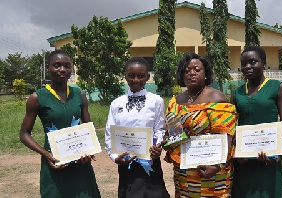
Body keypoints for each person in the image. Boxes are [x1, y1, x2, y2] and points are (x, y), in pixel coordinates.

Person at [19, 50, 101, 198]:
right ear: (47, 68)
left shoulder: (79, 94)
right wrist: (47, 155)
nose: (62, 70)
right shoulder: (37, 97)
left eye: (67, 66)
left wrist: (90, 150)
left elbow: (89, 127)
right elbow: (24, 134)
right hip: (55, 164)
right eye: (57, 65)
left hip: (81, 165)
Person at [162, 53, 237, 197]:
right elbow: (175, 135)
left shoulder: (217, 98)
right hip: (184, 173)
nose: (191, 73)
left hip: (212, 171)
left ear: (206, 74)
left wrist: (216, 165)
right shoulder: (175, 102)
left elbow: (226, 135)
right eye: (187, 70)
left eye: (197, 69)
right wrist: (167, 142)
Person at [231, 46, 282, 198]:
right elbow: (231, 125)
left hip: (269, 157)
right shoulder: (236, 93)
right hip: (243, 160)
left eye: (253, 62)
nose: (247, 67)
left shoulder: (278, 87)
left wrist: (276, 149)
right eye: (244, 63)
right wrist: (236, 151)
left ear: (264, 64)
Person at [105, 57, 170, 198]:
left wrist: (157, 147)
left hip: (150, 161)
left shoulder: (156, 101)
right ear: (125, 76)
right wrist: (115, 157)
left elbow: (160, 129)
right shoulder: (116, 103)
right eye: (131, 75)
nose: (136, 80)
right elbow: (110, 133)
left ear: (148, 76)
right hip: (126, 162)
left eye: (141, 76)